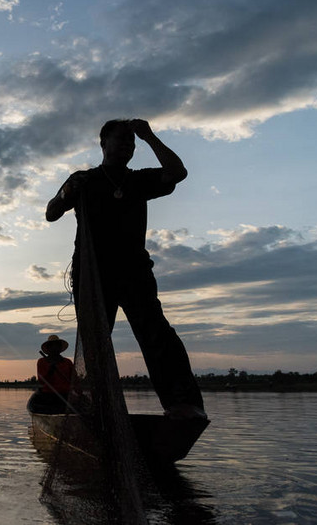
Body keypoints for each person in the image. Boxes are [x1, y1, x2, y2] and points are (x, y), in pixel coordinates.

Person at [45, 119, 206, 420]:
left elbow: (177, 172)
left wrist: (148, 135)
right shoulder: (83, 180)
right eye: (121, 140)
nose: (127, 147)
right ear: (103, 143)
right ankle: (101, 408)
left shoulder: (138, 181)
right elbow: (51, 213)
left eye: (131, 143)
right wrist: (66, 193)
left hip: (134, 272)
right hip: (92, 277)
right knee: (96, 343)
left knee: (156, 333)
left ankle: (181, 403)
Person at [27, 335, 75, 414]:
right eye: (53, 346)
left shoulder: (67, 362)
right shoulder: (42, 362)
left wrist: (77, 392)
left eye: (57, 345)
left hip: (65, 394)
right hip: (48, 394)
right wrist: (51, 370)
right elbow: (42, 381)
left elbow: (74, 379)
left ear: (60, 348)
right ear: (48, 348)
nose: (55, 348)